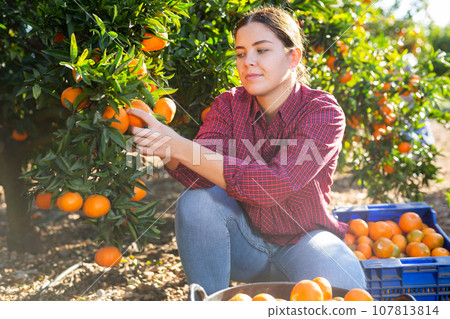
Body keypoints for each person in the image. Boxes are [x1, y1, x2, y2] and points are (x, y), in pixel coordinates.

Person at [127, 6, 366, 297]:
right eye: (241, 53)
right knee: (196, 203)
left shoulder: (322, 112)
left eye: (261, 50)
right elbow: (200, 178)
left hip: (304, 242)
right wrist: (164, 147)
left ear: (293, 57)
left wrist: (178, 145)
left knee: (350, 293)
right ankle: (209, 304)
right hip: (244, 242)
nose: (247, 62)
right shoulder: (228, 105)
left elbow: (278, 181)